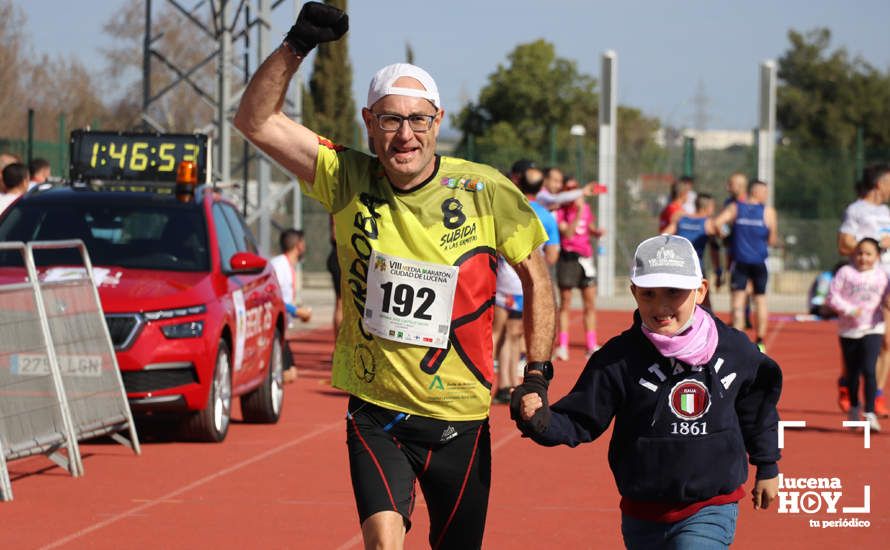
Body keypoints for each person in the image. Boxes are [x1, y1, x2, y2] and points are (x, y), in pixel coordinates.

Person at [234, 3, 555, 548]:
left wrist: (537, 375)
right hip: (377, 410)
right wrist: (296, 45)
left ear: (438, 121)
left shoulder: (485, 190)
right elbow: (255, 121)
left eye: (417, 119)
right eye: (390, 119)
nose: (404, 134)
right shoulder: (344, 176)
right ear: (368, 122)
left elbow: (538, 279)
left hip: (461, 415)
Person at [511, 234, 782, 550]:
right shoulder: (618, 358)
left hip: (710, 506)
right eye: (649, 294)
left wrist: (768, 464)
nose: (661, 306)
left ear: (700, 290)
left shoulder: (733, 349)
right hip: (642, 512)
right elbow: (580, 419)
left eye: (674, 292)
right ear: (634, 292)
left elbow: (759, 409)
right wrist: (539, 419)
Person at [492, 164, 560, 404]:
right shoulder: (546, 215)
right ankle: (508, 384)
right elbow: (552, 255)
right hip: (529, 283)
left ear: (515, 180)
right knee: (515, 333)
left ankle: (504, 383)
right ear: (541, 187)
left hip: (507, 280)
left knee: (503, 334)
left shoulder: (507, 209)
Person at [837, 163, 890, 416]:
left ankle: (876, 394)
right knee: (855, 347)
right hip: (861, 286)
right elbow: (844, 244)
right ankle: (847, 383)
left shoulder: (887, 212)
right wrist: (873, 245)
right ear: (880, 183)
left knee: (886, 343)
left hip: (885, 284)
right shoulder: (856, 210)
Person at [826, 238, 888, 432]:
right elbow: (831, 297)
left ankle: (869, 413)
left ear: (877, 257)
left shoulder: (882, 276)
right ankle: (854, 407)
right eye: (860, 253)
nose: (863, 258)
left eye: (868, 254)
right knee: (852, 373)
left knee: (869, 369)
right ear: (853, 254)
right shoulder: (846, 273)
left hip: (873, 327)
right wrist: (850, 310)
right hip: (849, 330)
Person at [713, 179, 778, 352]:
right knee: (760, 300)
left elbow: (717, 223)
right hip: (758, 262)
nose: (766, 196)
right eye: (765, 192)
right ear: (756, 192)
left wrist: (727, 237)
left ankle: (738, 342)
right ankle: (760, 341)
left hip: (740, 261)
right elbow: (772, 240)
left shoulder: (736, 208)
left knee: (738, 302)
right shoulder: (768, 212)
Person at [554, 178, 604, 360]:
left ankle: (591, 345)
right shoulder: (560, 212)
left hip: (586, 260)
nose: (574, 192)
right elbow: (567, 232)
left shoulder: (587, 210)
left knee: (590, 303)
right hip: (568, 260)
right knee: (566, 303)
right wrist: (579, 211)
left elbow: (589, 228)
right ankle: (563, 345)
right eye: (570, 189)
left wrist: (597, 232)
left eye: (576, 188)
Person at [270, 228, 313, 383]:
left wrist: (298, 313)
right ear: (299, 245)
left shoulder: (288, 266)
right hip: (274, 329)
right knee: (288, 375)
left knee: (291, 374)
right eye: (303, 243)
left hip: (283, 330)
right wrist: (296, 311)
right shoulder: (279, 266)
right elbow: (273, 298)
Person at [665, 193, 719, 311]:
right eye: (713, 207)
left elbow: (664, 236)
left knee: (678, 298)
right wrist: (718, 270)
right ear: (708, 207)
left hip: (678, 265)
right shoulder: (708, 223)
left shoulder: (682, 219)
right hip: (696, 267)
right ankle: (711, 326)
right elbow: (715, 249)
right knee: (704, 299)